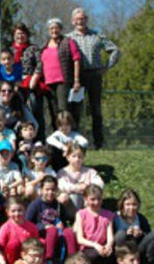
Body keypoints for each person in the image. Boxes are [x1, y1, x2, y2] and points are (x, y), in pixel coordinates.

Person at [67, 8, 120, 148]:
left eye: (83, 18)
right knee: (75, 110)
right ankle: (75, 143)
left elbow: (115, 50)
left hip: (95, 75)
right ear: (73, 21)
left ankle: (98, 143)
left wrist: (107, 67)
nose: (80, 21)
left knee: (96, 110)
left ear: (87, 19)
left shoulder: (97, 35)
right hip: (77, 76)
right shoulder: (68, 38)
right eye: (77, 19)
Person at [113, 190, 154, 264]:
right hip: (122, 249)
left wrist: (141, 233)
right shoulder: (115, 218)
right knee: (121, 234)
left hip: (138, 249)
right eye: (128, 204)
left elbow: (149, 236)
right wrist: (127, 233)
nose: (131, 208)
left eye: (134, 204)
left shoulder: (140, 218)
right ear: (122, 205)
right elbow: (112, 237)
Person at [41, 18, 81, 125]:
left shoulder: (68, 42)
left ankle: (66, 133)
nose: (54, 31)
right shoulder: (44, 46)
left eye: (56, 28)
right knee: (53, 111)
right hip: (48, 83)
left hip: (63, 81)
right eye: (51, 28)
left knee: (63, 110)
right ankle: (56, 135)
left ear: (61, 29)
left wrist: (76, 80)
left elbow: (76, 60)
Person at [73, 184, 116, 264]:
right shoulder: (81, 214)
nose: (96, 202)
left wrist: (108, 245)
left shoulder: (108, 215)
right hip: (88, 248)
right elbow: (80, 239)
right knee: (95, 255)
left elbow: (110, 236)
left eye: (99, 199)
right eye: (92, 199)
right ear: (86, 198)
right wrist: (95, 245)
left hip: (102, 247)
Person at [0, 196, 42, 264]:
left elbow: (36, 246)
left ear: (25, 211)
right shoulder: (5, 228)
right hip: (12, 262)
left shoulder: (32, 227)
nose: (17, 214)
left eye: (20, 210)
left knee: (40, 242)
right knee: (14, 243)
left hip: (29, 258)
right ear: (7, 212)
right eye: (13, 211)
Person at [56, 142, 103, 210]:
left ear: (83, 157)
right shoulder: (62, 172)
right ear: (68, 157)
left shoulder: (90, 171)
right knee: (75, 197)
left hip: (87, 202)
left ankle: (88, 215)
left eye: (80, 156)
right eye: (74, 156)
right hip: (71, 205)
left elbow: (100, 183)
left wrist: (88, 188)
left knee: (92, 196)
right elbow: (62, 186)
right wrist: (79, 187)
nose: (77, 159)